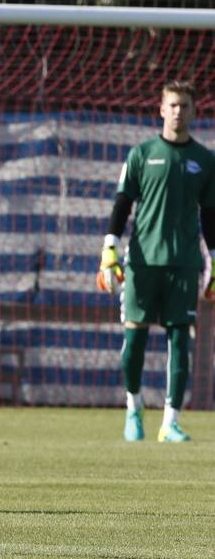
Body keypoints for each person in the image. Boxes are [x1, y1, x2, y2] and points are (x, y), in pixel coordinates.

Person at [98, 80, 215, 443]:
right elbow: (122, 204)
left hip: (184, 262)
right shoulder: (141, 154)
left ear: (195, 111)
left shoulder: (205, 161)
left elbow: (210, 216)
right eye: (173, 105)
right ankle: (133, 408)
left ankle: (171, 421)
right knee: (134, 341)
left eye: (185, 105)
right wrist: (109, 249)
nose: (179, 111)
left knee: (180, 339)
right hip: (142, 262)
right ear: (161, 109)